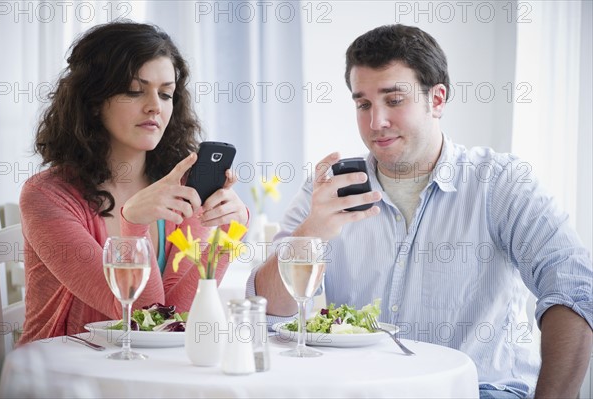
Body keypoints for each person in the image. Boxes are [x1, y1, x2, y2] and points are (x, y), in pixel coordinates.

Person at [248, 24, 592, 398]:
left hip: (480, 390)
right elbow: (267, 310)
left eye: (394, 100)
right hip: (363, 390)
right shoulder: (329, 190)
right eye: (363, 104)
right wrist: (310, 234)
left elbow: (573, 289)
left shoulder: (503, 183)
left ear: (438, 99)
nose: (375, 122)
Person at [18, 21, 248, 344]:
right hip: (61, 377)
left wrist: (229, 234)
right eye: (134, 90)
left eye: (166, 93)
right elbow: (136, 316)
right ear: (94, 100)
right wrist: (133, 224)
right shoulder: (46, 196)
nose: (155, 105)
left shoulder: (179, 189)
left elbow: (174, 316)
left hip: (141, 372)